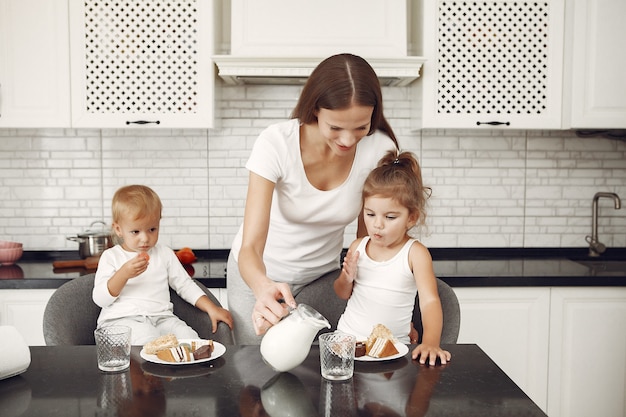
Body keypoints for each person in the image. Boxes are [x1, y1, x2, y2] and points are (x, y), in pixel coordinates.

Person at [227, 53, 400, 344]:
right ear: (315, 109)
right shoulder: (276, 143)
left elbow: (369, 243)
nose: (347, 140)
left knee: (321, 369)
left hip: (325, 282)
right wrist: (262, 286)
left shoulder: (379, 150)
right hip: (259, 275)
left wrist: (390, 310)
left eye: (360, 127)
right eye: (335, 127)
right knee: (254, 371)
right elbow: (250, 247)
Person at [334, 150, 451, 365]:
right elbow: (342, 293)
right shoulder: (358, 246)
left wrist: (431, 342)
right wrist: (346, 278)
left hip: (393, 348)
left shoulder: (415, 253)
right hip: (347, 343)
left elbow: (429, 301)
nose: (377, 224)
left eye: (390, 217)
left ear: (411, 218)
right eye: (370, 214)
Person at [93, 184, 233, 344]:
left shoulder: (164, 253)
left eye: (152, 229)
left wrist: (211, 308)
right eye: (135, 232)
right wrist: (123, 274)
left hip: (162, 319)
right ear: (118, 229)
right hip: (121, 321)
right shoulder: (111, 256)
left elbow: (185, 285)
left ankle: (195, 368)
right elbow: (100, 299)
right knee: (149, 340)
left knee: (190, 339)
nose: (145, 238)